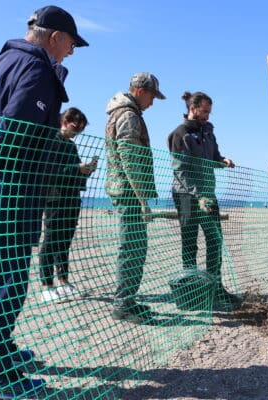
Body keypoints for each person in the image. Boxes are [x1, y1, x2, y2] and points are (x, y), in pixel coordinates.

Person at [0, 5, 88, 398]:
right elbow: (17, 129)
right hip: (11, 190)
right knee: (7, 282)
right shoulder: (37, 69)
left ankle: (4, 352)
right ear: (55, 37)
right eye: (72, 44)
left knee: (1, 276)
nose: (72, 52)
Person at [167, 91, 241, 311]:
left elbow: (213, 157)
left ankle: (216, 288)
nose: (208, 116)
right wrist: (198, 195)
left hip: (209, 193)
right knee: (190, 243)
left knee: (215, 240)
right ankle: (190, 291)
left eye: (210, 112)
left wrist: (223, 161)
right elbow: (181, 170)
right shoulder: (179, 134)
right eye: (205, 111)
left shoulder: (209, 131)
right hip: (186, 195)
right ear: (193, 108)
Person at [105, 72, 165, 323]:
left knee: (136, 249)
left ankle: (129, 300)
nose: (152, 103)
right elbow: (129, 160)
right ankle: (123, 305)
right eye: (152, 97)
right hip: (129, 193)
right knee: (132, 249)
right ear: (141, 91)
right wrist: (142, 200)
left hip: (128, 191)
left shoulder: (125, 113)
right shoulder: (128, 116)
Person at [39, 107, 97, 303]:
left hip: (72, 198)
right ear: (64, 121)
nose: (77, 132)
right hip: (54, 197)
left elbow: (73, 172)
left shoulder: (71, 146)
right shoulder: (50, 141)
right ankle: (47, 285)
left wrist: (86, 170)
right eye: (75, 127)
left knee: (65, 241)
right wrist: (76, 168)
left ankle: (64, 281)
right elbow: (51, 172)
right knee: (50, 240)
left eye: (80, 129)